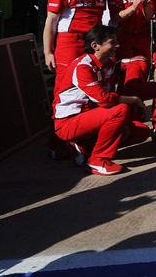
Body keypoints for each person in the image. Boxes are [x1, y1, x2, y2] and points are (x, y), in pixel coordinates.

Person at [52, 25, 150, 175]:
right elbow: (104, 100)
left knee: (141, 132)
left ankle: (83, 146)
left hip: (90, 118)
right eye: (112, 42)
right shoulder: (83, 67)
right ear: (95, 46)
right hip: (68, 122)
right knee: (120, 110)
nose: (117, 45)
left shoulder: (108, 63)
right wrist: (134, 99)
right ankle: (97, 161)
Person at [44, 0, 122, 95]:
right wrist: (48, 52)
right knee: (66, 84)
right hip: (71, 42)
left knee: (96, 83)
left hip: (95, 43)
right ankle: (60, 117)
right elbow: (51, 21)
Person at [110, 0, 156, 94]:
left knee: (141, 74)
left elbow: (149, 16)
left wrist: (147, 4)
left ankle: (138, 111)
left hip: (142, 36)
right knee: (121, 77)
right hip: (122, 36)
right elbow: (115, 18)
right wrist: (133, 7)